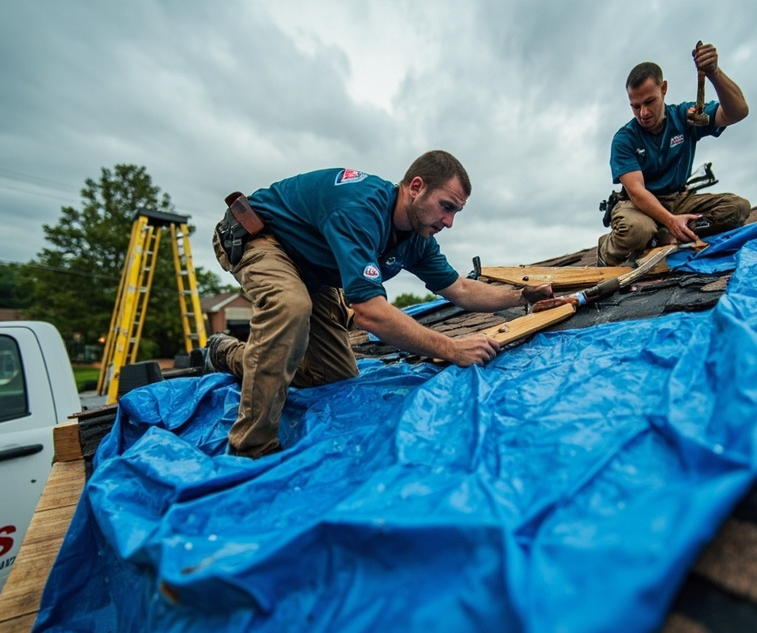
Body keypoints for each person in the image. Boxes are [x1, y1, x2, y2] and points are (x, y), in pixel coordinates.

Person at [207, 150, 553, 458]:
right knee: (291, 307)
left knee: (334, 377)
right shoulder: (361, 207)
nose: (449, 222)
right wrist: (452, 348)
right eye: (446, 207)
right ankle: (252, 449)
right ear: (416, 187)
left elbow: (460, 289)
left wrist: (522, 296)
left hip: (313, 272)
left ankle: (227, 354)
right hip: (260, 237)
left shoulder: (416, 239)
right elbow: (371, 314)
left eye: (456, 213)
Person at [597, 43, 751, 266]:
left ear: (664, 89)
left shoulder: (685, 116)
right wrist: (671, 221)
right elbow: (637, 192)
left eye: (650, 101)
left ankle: (664, 234)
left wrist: (714, 74)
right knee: (637, 230)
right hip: (638, 205)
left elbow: (738, 112)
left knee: (737, 208)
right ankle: (608, 249)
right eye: (635, 106)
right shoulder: (624, 139)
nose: (644, 113)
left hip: (679, 199)